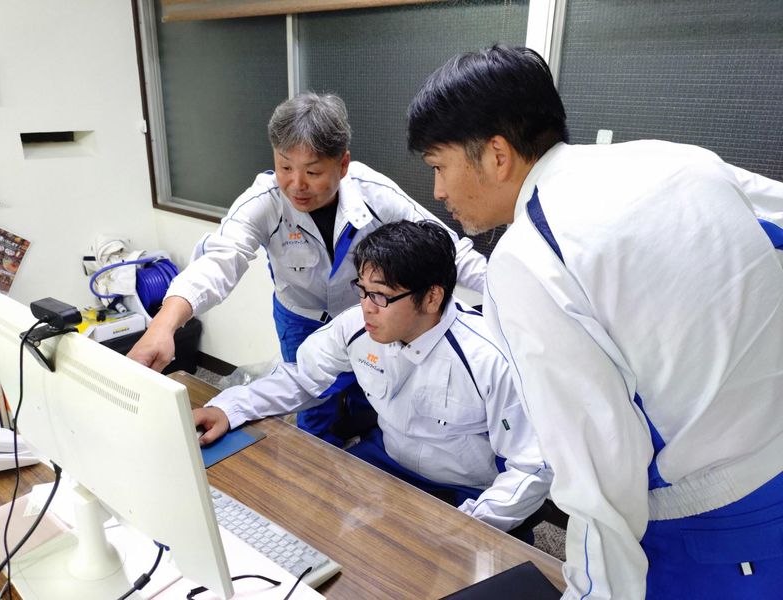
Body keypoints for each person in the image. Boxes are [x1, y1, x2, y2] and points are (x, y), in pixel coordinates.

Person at [406, 44, 783, 599]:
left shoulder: (531, 257)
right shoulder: (674, 158)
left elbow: (598, 472)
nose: (438, 192)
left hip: (711, 531)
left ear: (497, 155)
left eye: (440, 166)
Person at [128, 92, 487, 446]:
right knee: (309, 402)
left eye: (313, 172)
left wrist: (506, 292)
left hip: (365, 315)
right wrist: (163, 326)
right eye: (285, 167)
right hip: (299, 317)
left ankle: (372, 452)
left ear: (343, 165)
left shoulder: (374, 194)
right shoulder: (265, 201)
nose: (296, 185)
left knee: (374, 392)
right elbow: (219, 260)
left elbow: (445, 249)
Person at [194, 220, 551, 533]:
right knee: (303, 520)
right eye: (362, 290)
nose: (366, 306)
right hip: (387, 462)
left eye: (380, 295)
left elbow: (532, 466)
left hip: (465, 489)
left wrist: (473, 524)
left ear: (432, 298)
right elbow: (302, 376)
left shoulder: (490, 358)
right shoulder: (357, 326)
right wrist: (231, 408)